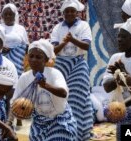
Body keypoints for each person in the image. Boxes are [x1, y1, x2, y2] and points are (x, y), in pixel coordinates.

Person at [10, 39, 77, 141]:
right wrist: (10, 122)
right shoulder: (24, 77)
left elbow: (63, 93)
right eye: (31, 56)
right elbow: (14, 102)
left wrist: (45, 85)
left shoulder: (54, 73)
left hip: (59, 120)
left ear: (46, 60)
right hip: (39, 123)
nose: (33, 60)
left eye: (38, 57)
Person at [50, 0, 93, 140]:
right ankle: (63, 131)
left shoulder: (84, 25)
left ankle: (80, 132)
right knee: (60, 97)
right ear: (63, 13)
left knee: (78, 98)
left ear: (76, 12)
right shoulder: (57, 28)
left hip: (78, 63)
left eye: (72, 11)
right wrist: (64, 42)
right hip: (61, 64)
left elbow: (86, 47)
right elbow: (53, 51)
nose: (69, 13)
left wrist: (72, 40)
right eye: (66, 11)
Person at [103, 14, 131, 140]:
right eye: (118, 36)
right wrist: (119, 77)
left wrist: (124, 76)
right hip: (124, 112)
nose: (119, 39)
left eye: (124, 36)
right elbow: (106, 86)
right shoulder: (116, 58)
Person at [0, 3, 29, 76]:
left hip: (17, 61)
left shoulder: (21, 29)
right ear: (2, 16)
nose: (8, 16)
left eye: (10, 14)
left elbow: (25, 46)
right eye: (5, 14)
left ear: (15, 15)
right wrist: (0, 48)